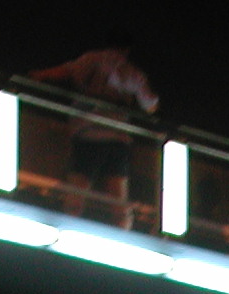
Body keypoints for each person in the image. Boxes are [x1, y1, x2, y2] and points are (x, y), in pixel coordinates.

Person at [31, 34, 160, 227]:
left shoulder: (91, 60)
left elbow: (63, 71)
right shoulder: (131, 72)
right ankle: (122, 236)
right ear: (127, 50)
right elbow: (150, 105)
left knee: (77, 192)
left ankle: (66, 231)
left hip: (87, 132)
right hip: (117, 137)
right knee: (118, 198)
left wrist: (38, 75)